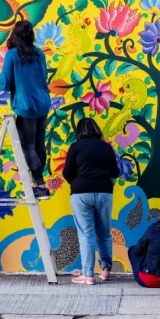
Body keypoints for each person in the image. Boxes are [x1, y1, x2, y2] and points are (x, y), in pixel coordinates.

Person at [0, 20, 52, 199]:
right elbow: (43, 76)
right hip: (43, 103)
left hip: (25, 105)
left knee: (27, 147)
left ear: (15, 35)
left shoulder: (12, 55)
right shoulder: (39, 54)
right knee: (39, 146)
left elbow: (4, 84)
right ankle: (38, 184)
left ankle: (41, 187)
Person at [63, 118, 119, 285]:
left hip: (81, 192)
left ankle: (88, 275)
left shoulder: (75, 147)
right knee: (104, 232)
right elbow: (115, 172)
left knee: (86, 234)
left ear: (79, 131)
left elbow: (67, 173)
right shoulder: (106, 147)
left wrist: (78, 179)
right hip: (104, 191)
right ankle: (106, 271)